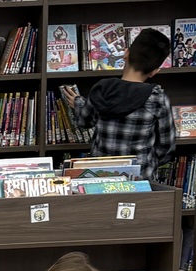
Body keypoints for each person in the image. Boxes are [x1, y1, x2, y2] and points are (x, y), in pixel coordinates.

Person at [61, 28, 174, 182]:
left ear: (125, 54)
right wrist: (149, 163)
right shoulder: (157, 98)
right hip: (139, 180)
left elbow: (85, 121)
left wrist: (78, 103)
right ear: (155, 71)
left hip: (100, 177)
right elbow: (166, 145)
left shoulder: (102, 89)